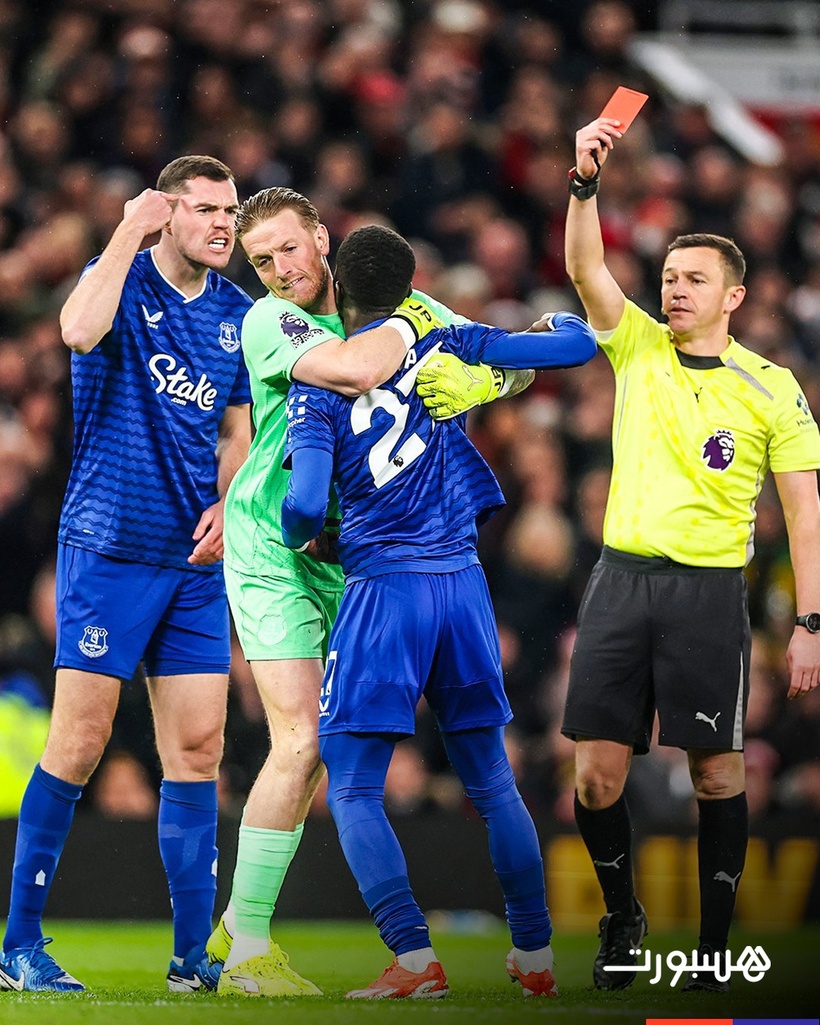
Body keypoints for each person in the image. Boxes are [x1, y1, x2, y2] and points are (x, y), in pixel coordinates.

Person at [204, 187, 535, 997]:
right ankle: (246, 948)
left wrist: (483, 387)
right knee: (305, 740)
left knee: (331, 747)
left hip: (353, 552)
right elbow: (354, 370)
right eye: (262, 261)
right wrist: (432, 345)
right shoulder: (269, 322)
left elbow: (515, 361)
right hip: (274, 544)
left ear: (322, 235)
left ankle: (240, 922)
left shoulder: (390, 297)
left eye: (288, 249)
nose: (280, 271)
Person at [280, 223, 598, 998]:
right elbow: (575, 345)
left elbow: (299, 506)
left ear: (337, 288)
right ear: (412, 284)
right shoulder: (445, 337)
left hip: (383, 588)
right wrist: (535, 341)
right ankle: (535, 952)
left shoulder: (318, 375)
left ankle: (415, 958)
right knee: (492, 780)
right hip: (461, 585)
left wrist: (315, 540)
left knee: (353, 784)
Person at [559, 117, 820, 991]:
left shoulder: (770, 388)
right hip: (621, 582)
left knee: (715, 771)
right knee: (595, 777)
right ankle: (623, 916)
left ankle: (711, 948)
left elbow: (806, 512)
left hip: (709, 592)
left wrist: (811, 622)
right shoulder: (635, 346)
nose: (674, 290)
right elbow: (586, 268)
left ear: (733, 296)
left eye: (694, 279)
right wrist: (585, 186)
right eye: (669, 276)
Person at [0, 156, 253, 994]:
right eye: (209, 209)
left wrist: (231, 498)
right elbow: (76, 329)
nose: (226, 224)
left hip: (193, 563)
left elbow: (242, 432)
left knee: (199, 749)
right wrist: (124, 232)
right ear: (168, 213)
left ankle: (190, 963)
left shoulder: (238, 315)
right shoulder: (117, 279)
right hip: (107, 547)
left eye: (233, 210)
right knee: (76, 744)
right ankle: (19, 945)